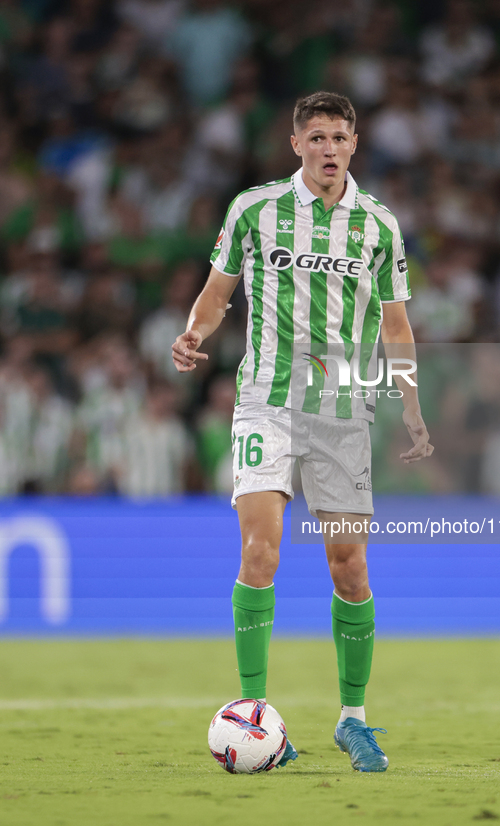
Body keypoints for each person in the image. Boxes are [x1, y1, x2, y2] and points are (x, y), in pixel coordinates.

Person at [172, 92, 433, 772]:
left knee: (348, 569)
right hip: (265, 400)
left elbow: (397, 326)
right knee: (260, 551)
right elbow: (217, 291)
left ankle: (353, 719)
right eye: (315, 136)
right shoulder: (253, 210)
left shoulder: (378, 226)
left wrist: (409, 403)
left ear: (354, 144)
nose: (327, 147)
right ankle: (254, 713)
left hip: (342, 410)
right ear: (296, 144)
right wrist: (194, 333)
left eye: (338, 136)